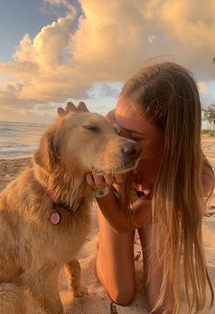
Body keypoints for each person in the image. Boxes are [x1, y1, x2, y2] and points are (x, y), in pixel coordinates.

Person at [59, 62, 215, 313]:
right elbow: (119, 220)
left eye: (135, 137)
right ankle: (104, 252)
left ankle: (125, 246)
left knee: (163, 303)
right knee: (122, 293)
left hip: (158, 203)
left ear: (169, 140)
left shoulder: (196, 177)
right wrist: (79, 131)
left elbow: (126, 221)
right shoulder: (114, 126)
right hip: (118, 195)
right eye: (118, 127)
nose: (119, 141)